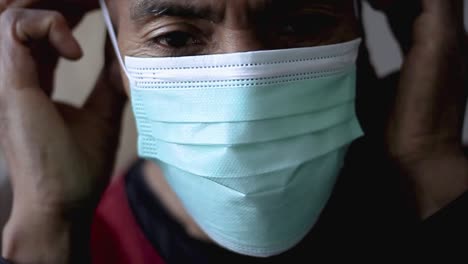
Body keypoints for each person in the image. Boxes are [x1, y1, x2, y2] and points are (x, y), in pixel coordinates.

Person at [1, 0, 468, 263]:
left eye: (299, 21)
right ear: (117, 59)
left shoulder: (438, 200)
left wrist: (432, 171)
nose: (248, 90)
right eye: (176, 37)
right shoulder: (86, 244)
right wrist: (49, 223)